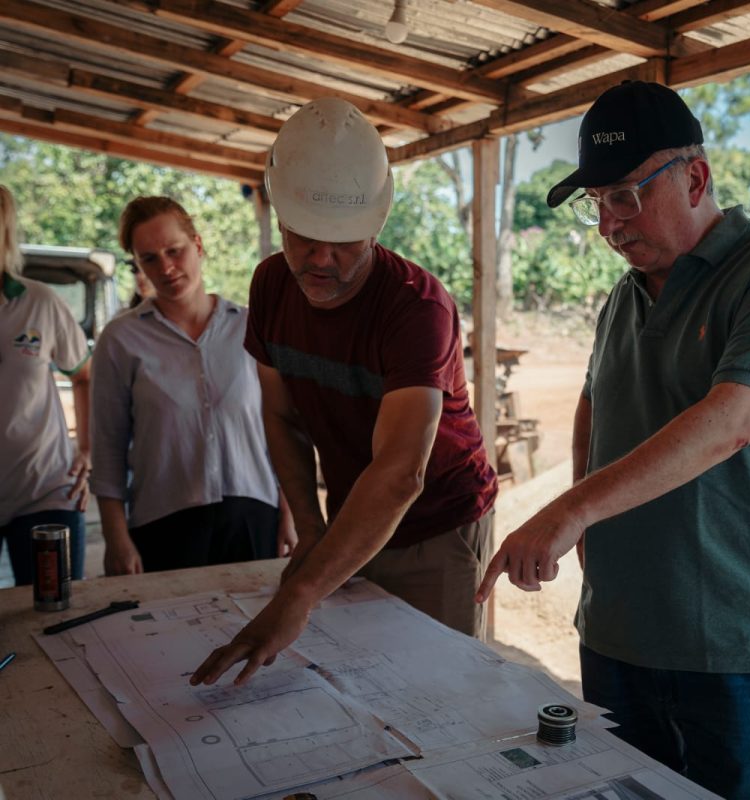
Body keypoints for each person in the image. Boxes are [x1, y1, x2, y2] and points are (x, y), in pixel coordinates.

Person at [475, 81, 750, 799]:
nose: (609, 223)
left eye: (625, 197)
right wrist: (588, 522)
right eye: (598, 203)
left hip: (739, 644)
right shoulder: (623, 295)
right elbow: (594, 405)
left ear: (695, 177)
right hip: (618, 630)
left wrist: (570, 511)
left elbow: (731, 422)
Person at [191, 97, 497, 687]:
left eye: (345, 241)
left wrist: (303, 591)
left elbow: (401, 474)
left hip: (438, 522)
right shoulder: (272, 285)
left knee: (438, 690)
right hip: (347, 519)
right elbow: (280, 418)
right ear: (279, 216)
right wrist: (311, 528)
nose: (321, 259)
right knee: (356, 686)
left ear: (377, 224)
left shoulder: (417, 308)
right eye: (304, 236)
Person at [90, 196, 294, 574]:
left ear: (198, 246)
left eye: (174, 250)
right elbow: (108, 447)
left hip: (253, 516)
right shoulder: (121, 340)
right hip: (164, 525)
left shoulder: (251, 327)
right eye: (149, 258)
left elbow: (281, 427)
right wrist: (116, 537)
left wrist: (291, 512)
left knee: (259, 629)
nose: (166, 267)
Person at [0, 184, 91, 584]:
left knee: (53, 617)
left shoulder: (40, 302)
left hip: (45, 488)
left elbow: (84, 376)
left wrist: (87, 451)